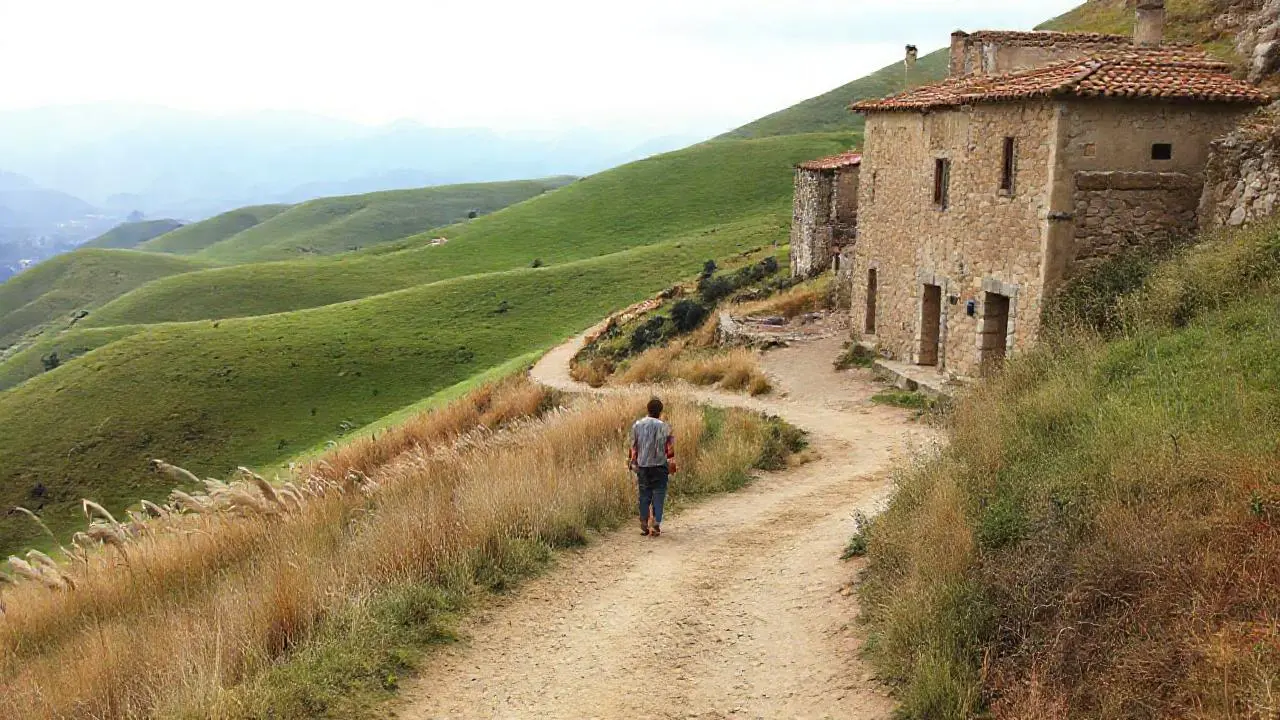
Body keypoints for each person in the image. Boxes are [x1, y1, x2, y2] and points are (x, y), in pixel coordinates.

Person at [629, 396, 676, 537]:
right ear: (660, 411)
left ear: (648, 410)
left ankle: (644, 522)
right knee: (658, 495)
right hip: (659, 465)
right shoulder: (665, 427)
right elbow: (669, 449)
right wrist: (672, 462)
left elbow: (633, 446)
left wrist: (632, 461)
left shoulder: (637, 425)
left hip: (643, 465)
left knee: (644, 494)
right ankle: (655, 523)